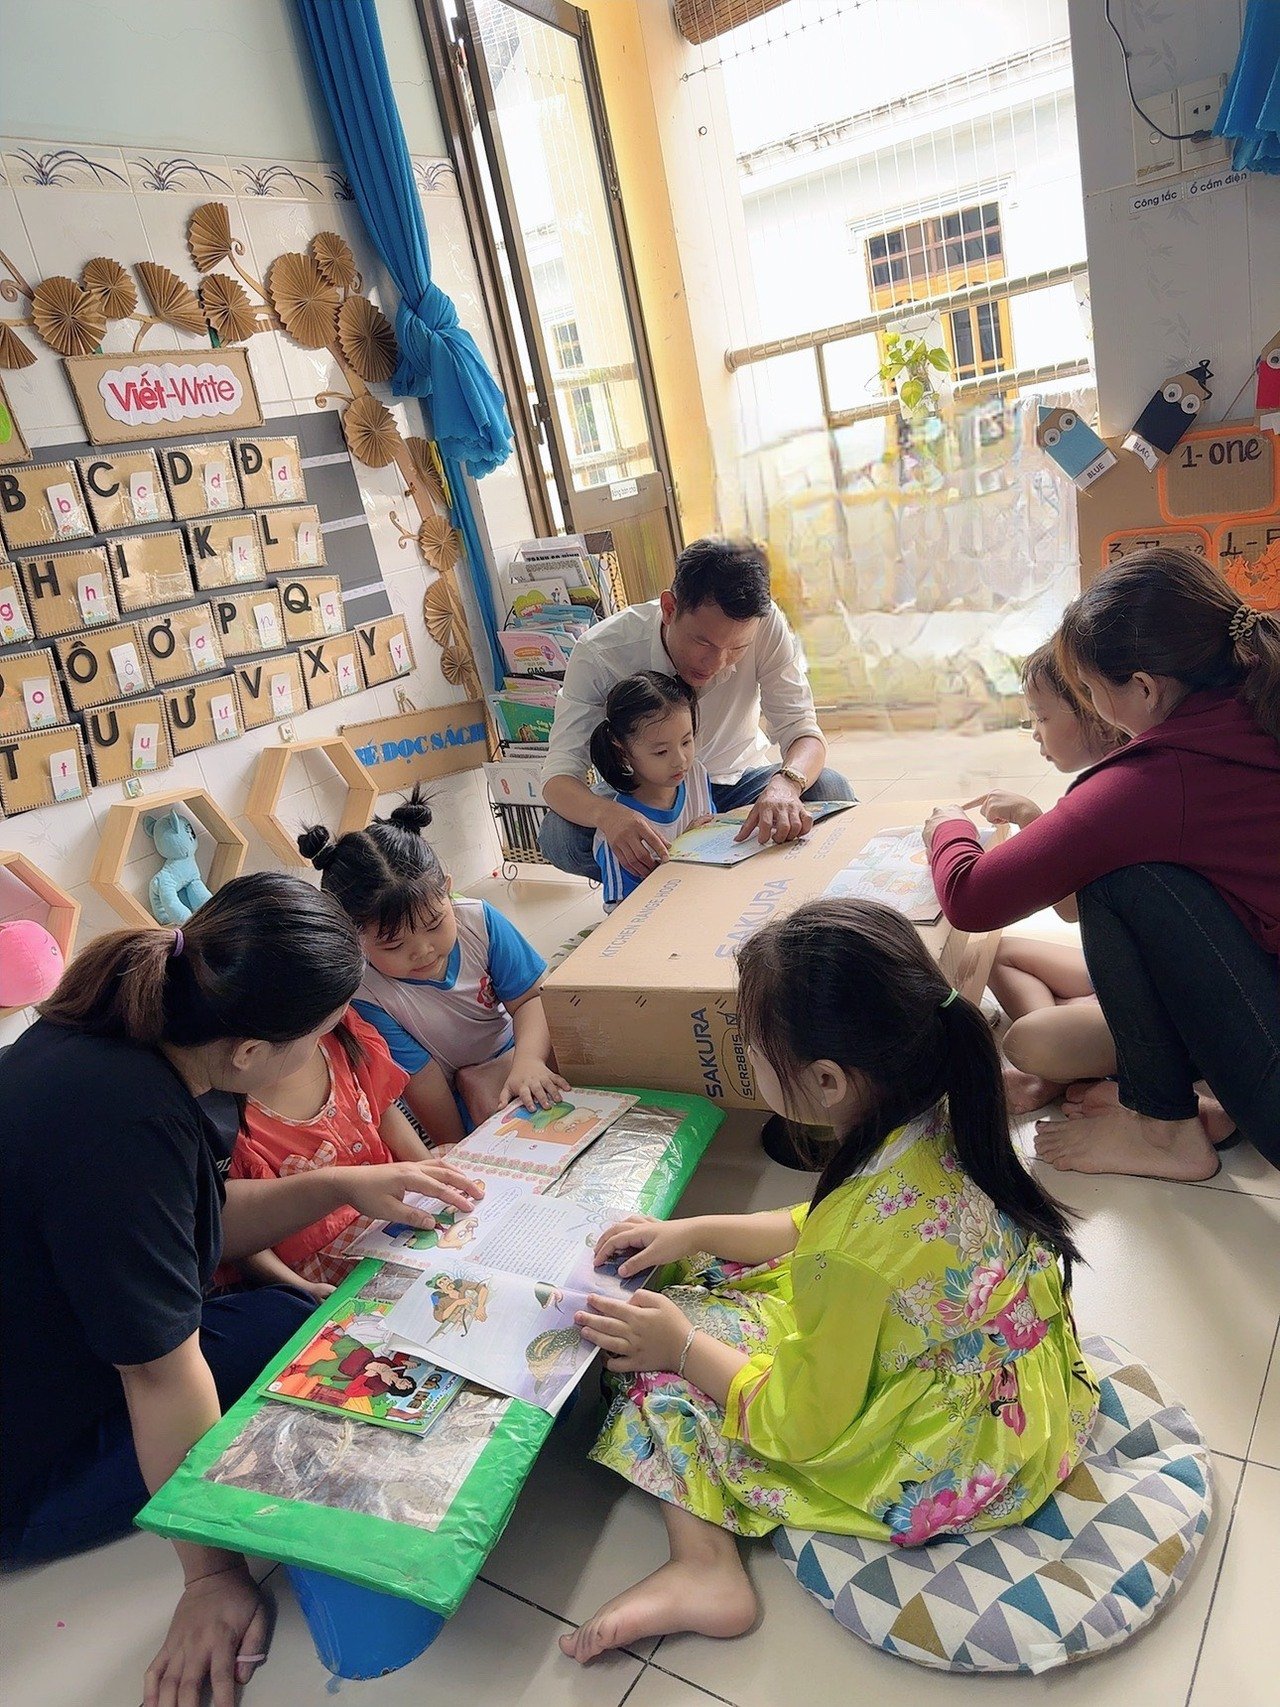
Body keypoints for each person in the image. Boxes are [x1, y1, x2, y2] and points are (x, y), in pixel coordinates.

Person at [559, 898, 1097, 1664]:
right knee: (699, 1269)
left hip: (957, 1452)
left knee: (645, 1353)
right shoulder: (941, 1104)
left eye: (750, 1047)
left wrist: (679, 1347)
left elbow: (802, 1421)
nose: (747, 1058)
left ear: (825, 1078)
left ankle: (704, 1567)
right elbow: (817, 1228)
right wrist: (694, 1230)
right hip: (1029, 1402)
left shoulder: (853, 1244)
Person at [0, 874, 483, 1707]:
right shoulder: (124, 1120)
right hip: (24, 1473)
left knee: (283, 1317)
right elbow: (157, 1370)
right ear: (254, 1052)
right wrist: (212, 1574)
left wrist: (339, 1183)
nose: (324, 1054)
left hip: (55, 1339)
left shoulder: (147, 1028)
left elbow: (192, 1216)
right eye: (320, 1036)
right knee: (292, 1338)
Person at [925, 548, 1280, 1182]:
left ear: (1144, 687)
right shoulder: (1254, 702)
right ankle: (1183, 1104)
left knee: (1118, 883)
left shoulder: (1158, 778)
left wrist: (947, 827)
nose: (1092, 706)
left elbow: (971, 898)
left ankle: (1166, 1130)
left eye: (1090, 691)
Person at [539, 537, 854, 883]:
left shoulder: (765, 624)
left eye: (737, 649)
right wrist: (608, 815)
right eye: (703, 642)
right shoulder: (601, 652)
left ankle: (743, 867)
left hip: (738, 783)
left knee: (829, 789)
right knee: (560, 835)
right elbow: (559, 776)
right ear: (669, 608)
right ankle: (652, 878)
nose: (716, 662)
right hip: (649, 798)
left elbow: (803, 730)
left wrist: (786, 784)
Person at [302, 788, 568, 1146]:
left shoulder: (478, 921)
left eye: (434, 924)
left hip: (521, 1045)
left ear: (447, 890)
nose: (424, 951)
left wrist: (528, 1062)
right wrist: (456, 1147)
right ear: (354, 937)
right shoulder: (368, 993)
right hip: (451, 1083)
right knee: (498, 1125)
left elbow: (531, 1000)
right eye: (394, 945)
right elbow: (423, 1080)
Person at [965, 640, 1123, 1114]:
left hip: (1156, 995)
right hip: (1116, 964)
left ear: (1096, 713)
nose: (1035, 733)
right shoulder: (1110, 781)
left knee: (1025, 1041)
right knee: (994, 954)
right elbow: (1078, 908)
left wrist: (953, 833)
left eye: (1042, 717)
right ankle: (1067, 1061)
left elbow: (974, 901)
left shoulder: (1115, 796)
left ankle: (1063, 1066)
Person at [223, 1007, 437, 1301]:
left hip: (397, 1203)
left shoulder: (338, 1029)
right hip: (323, 1263)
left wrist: (430, 1169)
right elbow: (237, 1233)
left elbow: (382, 1109)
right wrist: (302, 1288)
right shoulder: (225, 1120)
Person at [589, 670, 714, 910]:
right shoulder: (618, 836)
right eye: (661, 752)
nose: (680, 760)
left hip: (706, 896)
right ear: (622, 751)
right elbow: (624, 914)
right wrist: (682, 852)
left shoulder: (696, 774)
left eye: (686, 742)